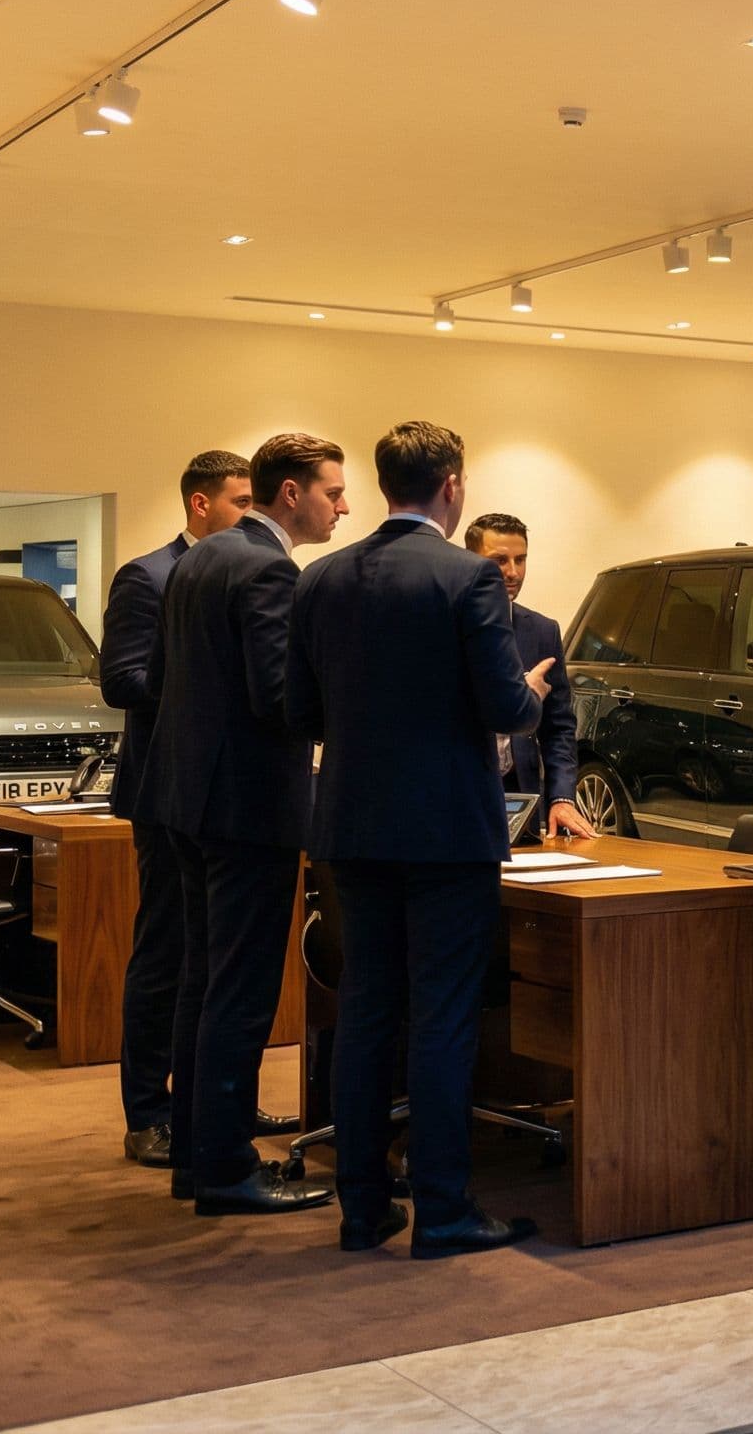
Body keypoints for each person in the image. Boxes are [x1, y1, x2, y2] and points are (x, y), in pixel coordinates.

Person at [288, 423, 552, 1257]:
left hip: (352, 826)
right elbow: (507, 709)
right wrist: (533, 696)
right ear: (453, 486)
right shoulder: (467, 577)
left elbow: (299, 714)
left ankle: (363, 1209)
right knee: (442, 1017)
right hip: (445, 830)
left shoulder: (321, 577)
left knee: (367, 1012)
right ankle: (442, 1208)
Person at [145, 433, 347, 1215]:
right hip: (247, 807)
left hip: (188, 799)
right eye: (332, 491)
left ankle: (198, 1159)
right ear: (290, 494)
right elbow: (276, 695)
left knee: (204, 983)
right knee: (241, 991)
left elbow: (165, 682)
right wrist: (345, 715)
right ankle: (228, 1169)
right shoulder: (267, 566)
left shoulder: (202, 555)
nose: (344, 505)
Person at [100, 450, 257, 1169]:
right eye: (240, 501)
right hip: (164, 792)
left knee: (219, 957)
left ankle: (215, 1101)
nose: (250, 515)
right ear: (201, 505)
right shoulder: (149, 575)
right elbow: (124, 681)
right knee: (168, 949)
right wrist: (208, 688)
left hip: (225, 795)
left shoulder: (246, 572)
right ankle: (148, 1113)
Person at [464, 513, 593, 842]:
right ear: (471, 562)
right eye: (499, 560)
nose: (513, 572)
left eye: (520, 560)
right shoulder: (447, 626)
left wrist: (562, 798)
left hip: (521, 799)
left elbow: (559, 727)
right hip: (463, 796)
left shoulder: (542, 631)